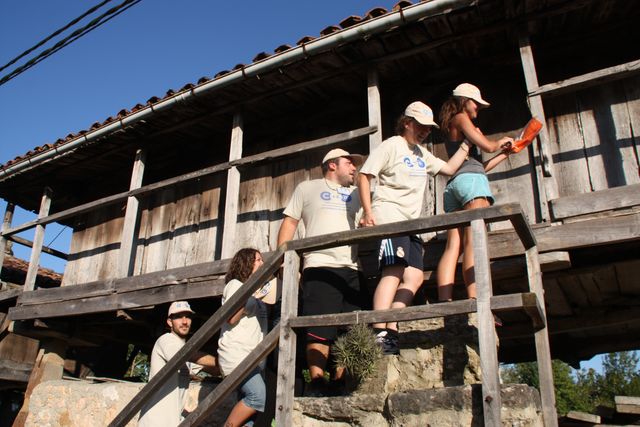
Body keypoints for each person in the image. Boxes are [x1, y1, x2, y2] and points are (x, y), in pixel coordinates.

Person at [358, 101, 473, 355]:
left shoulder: (422, 154)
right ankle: (379, 332)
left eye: (428, 129)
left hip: (412, 224)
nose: (424, 131)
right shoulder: (391, 145)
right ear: (407, 122)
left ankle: (391, 326)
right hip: (390, 216)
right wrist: (368, 212)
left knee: (415, 277)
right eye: (420, 126)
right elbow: (365, 176)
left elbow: (449, 169)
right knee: (394, 270)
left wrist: (467, 143)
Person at [277, 148, 364, 395]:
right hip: (319, 264)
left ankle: (340, 381)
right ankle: (317, 382)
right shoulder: (307, 188)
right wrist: (285, 263)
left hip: (352, 266)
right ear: (332, 165)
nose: (354, 168)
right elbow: (290, 223)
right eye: (350, 163)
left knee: (351, 328)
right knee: (319, 330)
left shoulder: (357, 194)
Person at [435, 83, 514, 305]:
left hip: (456, 184)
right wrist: (500, 142)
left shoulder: (452, 125)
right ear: (463, 101)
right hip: (472, 184)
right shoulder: (460, 117)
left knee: (453, 246)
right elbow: (488, 146)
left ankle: (445, 300)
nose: (478, 109)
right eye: (476, 104)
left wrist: (504, 154)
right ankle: (475, 297)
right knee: (473, 240)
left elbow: (479, 166)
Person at [138, 301, 219, 427]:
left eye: (188, 317)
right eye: (179, 317)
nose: (185, 321)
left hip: (173, 422)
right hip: (154, 421)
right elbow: (186, 355)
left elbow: (210, 368)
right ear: (170, 322)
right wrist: (219, 361)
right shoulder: (166, 340)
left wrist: (230, 363)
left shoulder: (183, 349)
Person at [218, 248, 271, 427]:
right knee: (257, 397)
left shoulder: (256, 293)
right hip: (237, 355)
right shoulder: (235, 285)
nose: (262, 263)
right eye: (257, 260)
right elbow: (231, 318)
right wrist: (252, 288)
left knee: (249, 419)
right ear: (245, 263)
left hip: (251, 358)